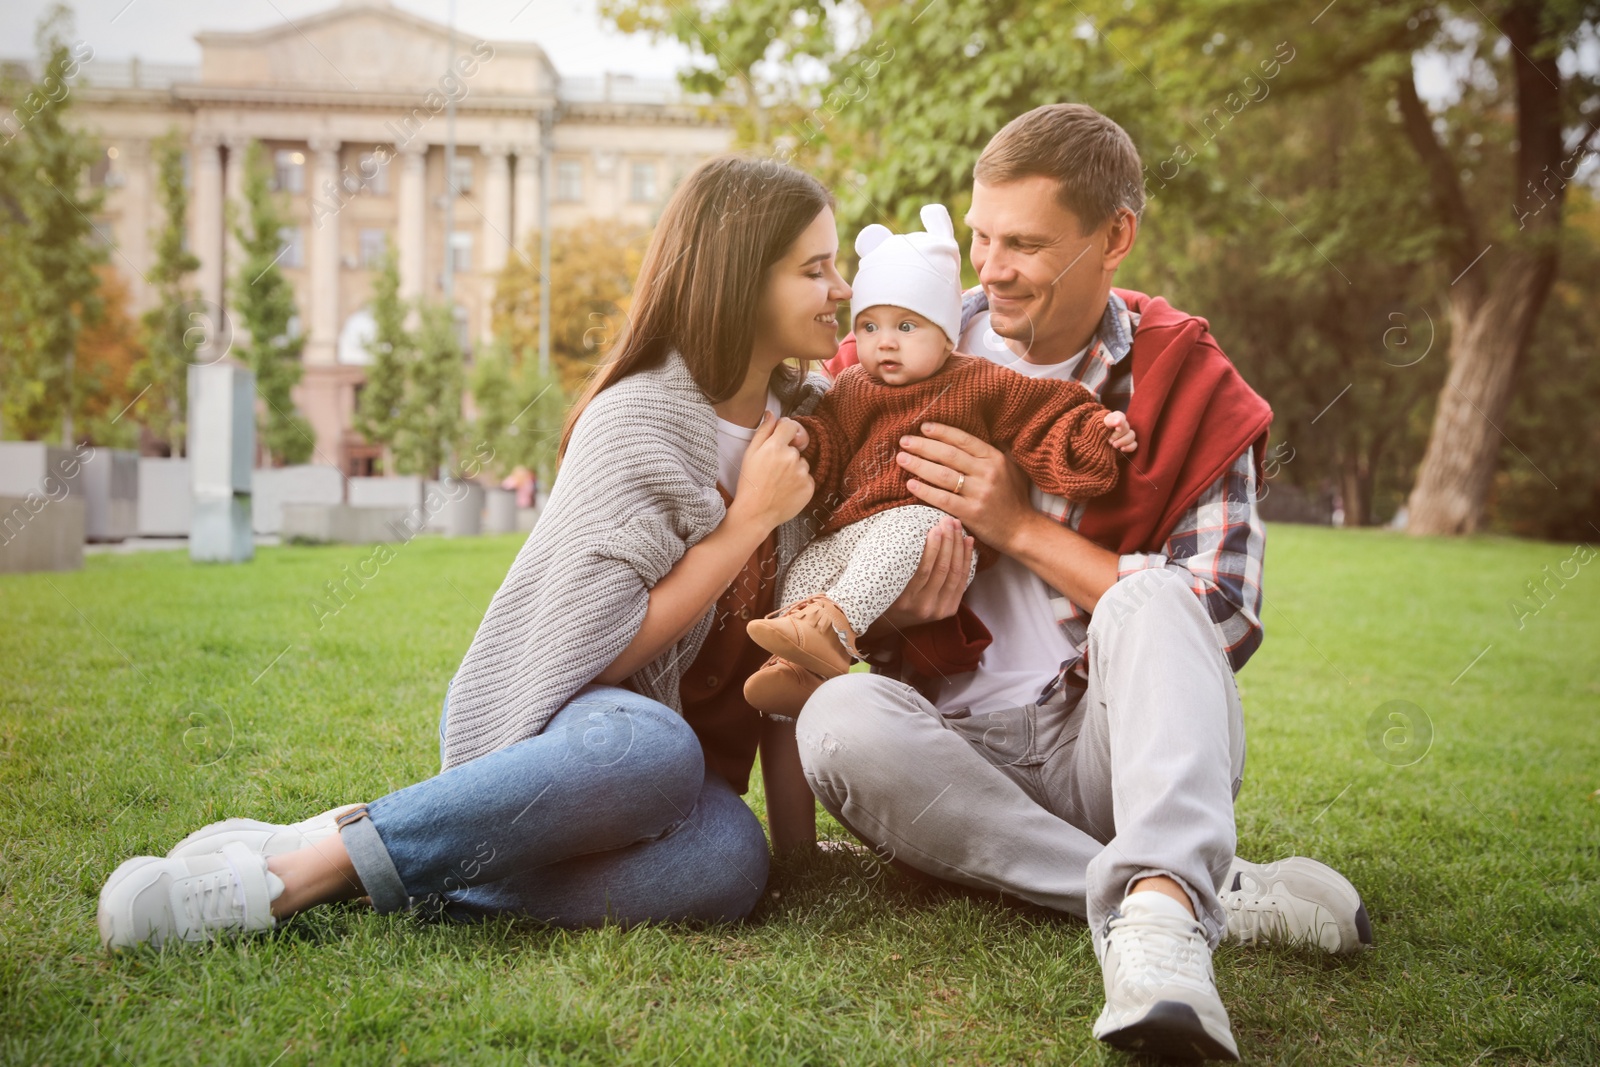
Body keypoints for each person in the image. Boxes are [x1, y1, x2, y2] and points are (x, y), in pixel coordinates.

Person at [96, 156, 845, 949]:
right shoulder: (639, 421)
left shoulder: (813, 423)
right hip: (562, 721)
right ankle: (287, 880)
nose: (842, 289)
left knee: (729, 863)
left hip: (677, 791)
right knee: (652, 748)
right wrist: (745, 524)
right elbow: (592, 647)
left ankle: (375, 857)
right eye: (816, 269)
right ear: (739, 281)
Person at [797, 104, 1371, 1062]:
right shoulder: (899, 346)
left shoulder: (1183, 374)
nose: (990, 268)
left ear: (1116, 238)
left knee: (1158, 597)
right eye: (982, 235)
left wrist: (1014, 525)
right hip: (957, 753)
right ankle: (1184, 895)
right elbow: (810, 553)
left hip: (1122, 748)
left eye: (1025, 244)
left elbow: (1219, 621)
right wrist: (888, 605)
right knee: (834, 722)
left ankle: (1159, 936)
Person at [742, 203, 1137, 718]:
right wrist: (807, 444)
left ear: (947, 333)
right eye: (868, 326)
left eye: (907, 326)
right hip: (857, 529)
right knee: (802, 569)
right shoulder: (854, 388)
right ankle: (794, 665)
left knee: (910, 528)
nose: (885, 342)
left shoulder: (977, 380)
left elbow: (1045, 417)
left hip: (937, 529)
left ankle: (831, 632)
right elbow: (833, 445)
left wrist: (1095, 433)